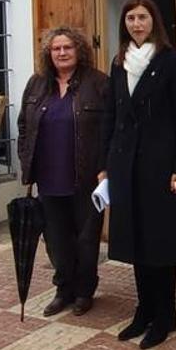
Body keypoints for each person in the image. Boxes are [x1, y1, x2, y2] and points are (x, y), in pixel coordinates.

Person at [102, 0, 176, 349]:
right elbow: (111, 116)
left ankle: (165, 315)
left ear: (154, 21)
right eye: (130, 19)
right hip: (125, 166)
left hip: (160, 168)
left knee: (160, 242)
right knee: (135, 241)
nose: (136, 24)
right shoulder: (118, 64)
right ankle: (143, 310)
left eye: (142, 17)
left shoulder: (173, 62)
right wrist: (105, 165)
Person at [17, 26, 110, 316]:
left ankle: (84, 292)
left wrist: (105, 168)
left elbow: (110, 130)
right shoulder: (36, 84)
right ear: (49, 53)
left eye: (67, 47)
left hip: (86, 178)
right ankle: (63, 289)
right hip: (48, 178)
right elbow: (23, 126)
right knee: (56, 241)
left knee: (85, 239)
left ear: (79, 50)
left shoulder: (98, 84)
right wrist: (26, 160)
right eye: (56, 48)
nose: (61, 53)